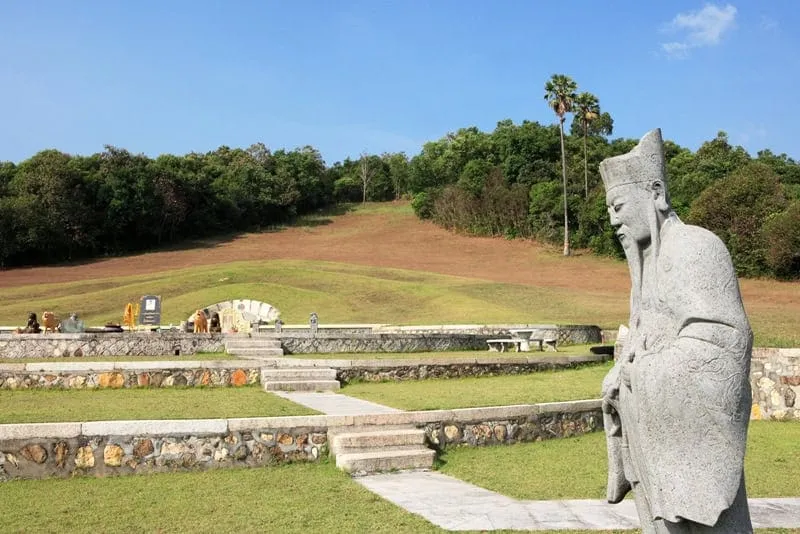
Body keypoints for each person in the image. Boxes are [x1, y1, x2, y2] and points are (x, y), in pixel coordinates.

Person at [599, 129, 753, 533]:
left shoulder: (697, 248)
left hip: (689, 439)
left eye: (618, 205)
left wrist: (640, 373)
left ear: (655, 192)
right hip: (650, 432)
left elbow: (721, 345)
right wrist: (619, 376)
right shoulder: (643, 273)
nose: (613, 219)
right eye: (608, 210)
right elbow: (639, 341)